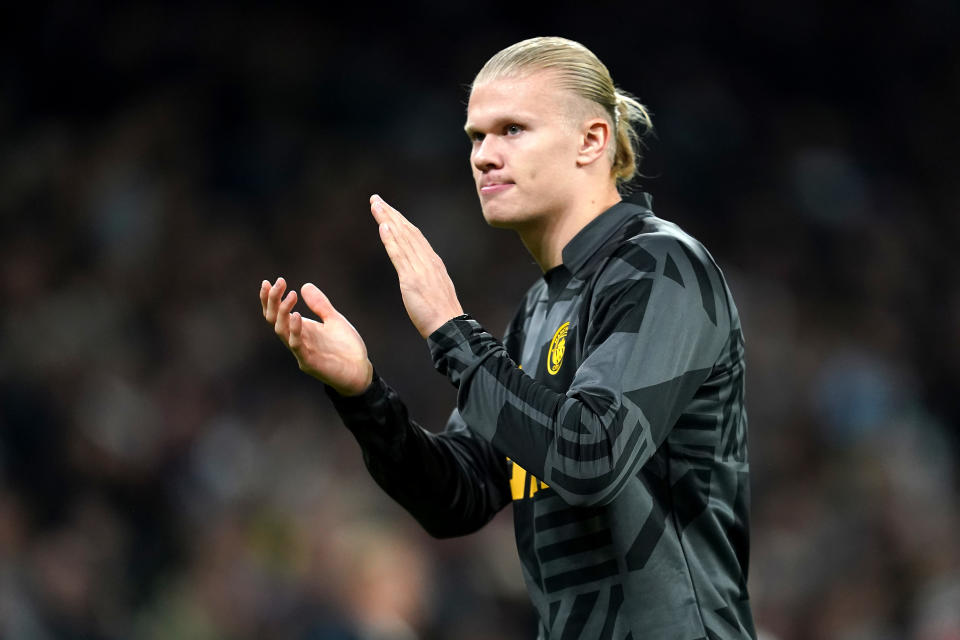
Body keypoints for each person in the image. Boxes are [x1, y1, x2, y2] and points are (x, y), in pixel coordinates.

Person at [260, 36, 756, 640]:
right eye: (476, 136)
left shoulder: (662, 269)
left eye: (513, 129)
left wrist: (452, 330)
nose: (484, 156)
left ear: (592, 140)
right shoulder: (541, 311)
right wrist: (364, 397)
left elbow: (591, 459)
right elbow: (459, 497)